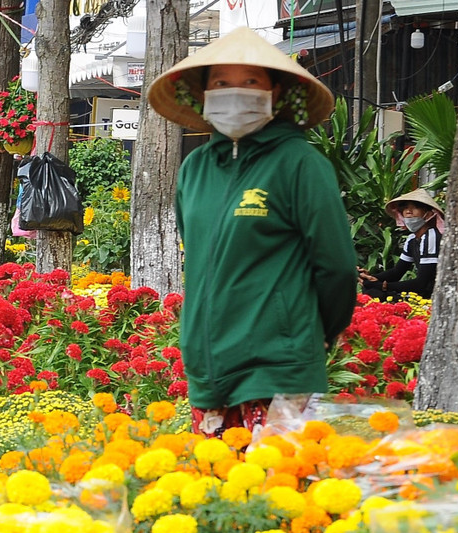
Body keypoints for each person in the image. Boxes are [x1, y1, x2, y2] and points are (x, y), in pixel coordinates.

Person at [151, 26, 358, 437]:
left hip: (277, 367)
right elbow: (200, 258)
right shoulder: (194, 170)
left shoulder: (300, 164)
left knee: (280, 490)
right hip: (209, 366)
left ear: (276, 93)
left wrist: (313, 333)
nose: (235, 92)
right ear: (204, 94)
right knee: (219, 492)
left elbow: (336, 267)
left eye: (250, 81)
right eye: (221, 83)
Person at [359, 188, 444, 301]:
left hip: (434, 294)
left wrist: (383, 286)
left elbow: (421, 283)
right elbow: (396, 272)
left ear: (428, 215)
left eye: (415, 207)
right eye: (405, 208)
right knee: (370, 291)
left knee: (376, 293)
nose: (408, 211)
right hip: (422, 291)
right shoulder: (412, 239)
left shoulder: (431, 236)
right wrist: (369, 278)